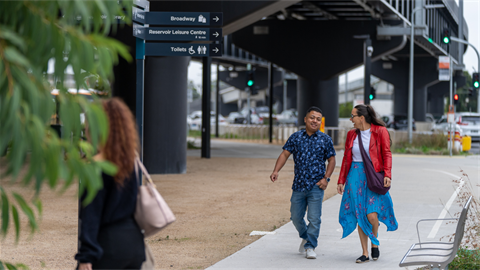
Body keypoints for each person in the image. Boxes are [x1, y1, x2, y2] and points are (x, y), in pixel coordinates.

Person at [75, 98, 145, 270]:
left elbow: (90, 214)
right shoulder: (131, 161)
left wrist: (85, 256)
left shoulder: (95, 167)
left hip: (107, 247)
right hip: (134, 245)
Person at [270, 106, 336, 259]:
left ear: (321, 122)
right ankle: (306, 236)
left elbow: (332, 159)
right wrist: (276, 171)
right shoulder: (296, 137)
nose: (315, 121)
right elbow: (285, 154)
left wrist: (326, 178)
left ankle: (311, 246)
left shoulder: (325, 139)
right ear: (305, 119)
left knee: (314, 218)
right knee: (295, 217)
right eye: (312, 118)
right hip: (299, 185)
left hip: (316, 186)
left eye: (318, 119)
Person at [337, 104, 398, 263]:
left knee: (372, 215)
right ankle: (364, 252)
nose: (351, 119)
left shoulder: (380, 131)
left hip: (373, 176)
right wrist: (341, 180)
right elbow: (346, 159)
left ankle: (374, 242)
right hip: (355, 177)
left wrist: (388, 174)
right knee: (360, 214)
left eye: (353, 116)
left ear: (361, 118)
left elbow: (387, 153)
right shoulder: (351, 134)